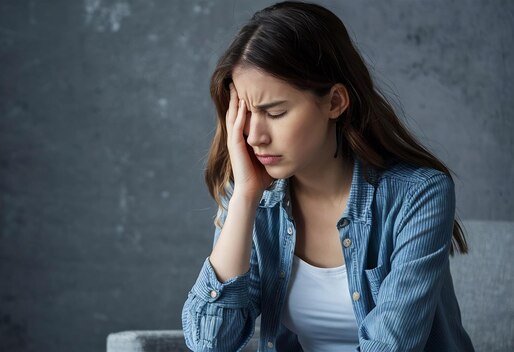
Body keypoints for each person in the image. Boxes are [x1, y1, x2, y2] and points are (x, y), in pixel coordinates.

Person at [181, 1, 476, 351]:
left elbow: (390, 346)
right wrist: (245, 196)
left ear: (335, 102)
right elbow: (209, 343)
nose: (254, 135)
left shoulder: (419, 195)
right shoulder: (254, 194)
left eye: (274, 112)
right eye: (244, 114)